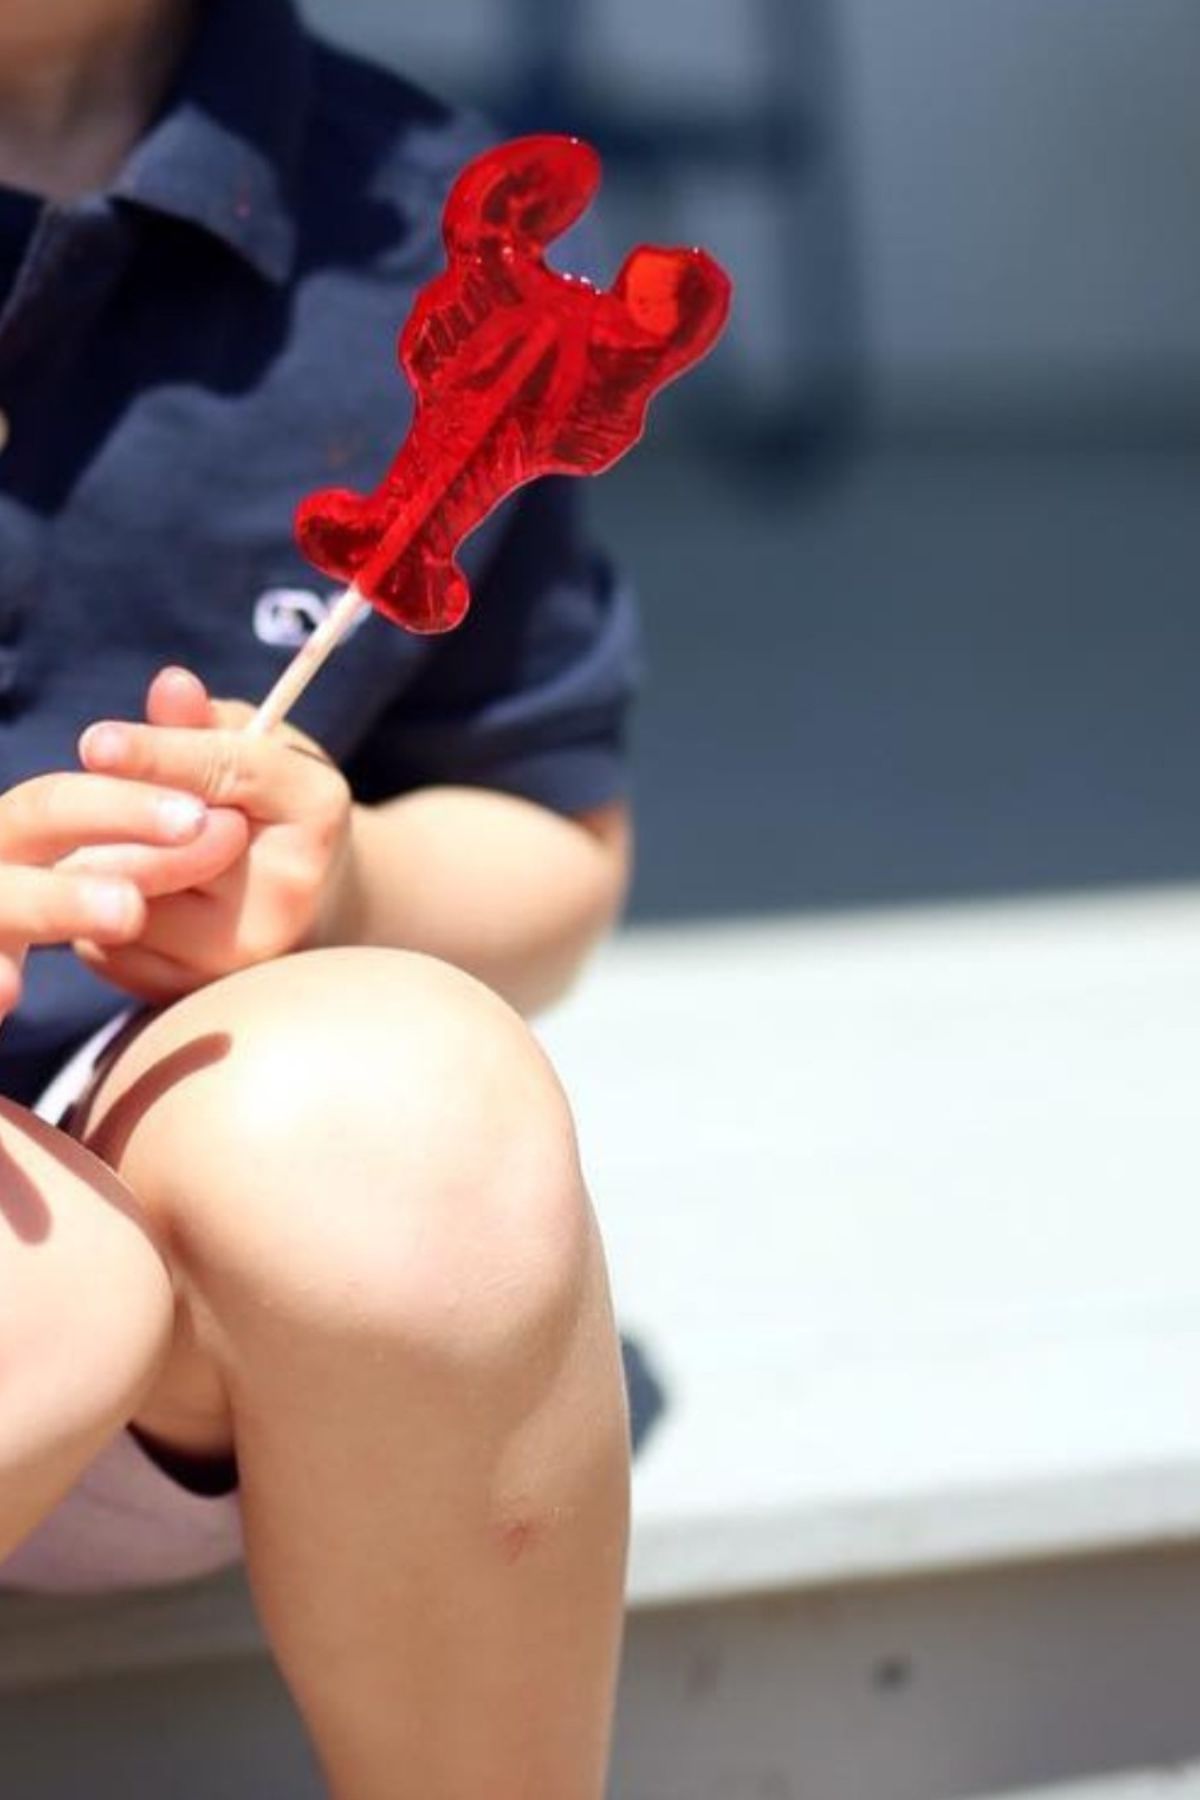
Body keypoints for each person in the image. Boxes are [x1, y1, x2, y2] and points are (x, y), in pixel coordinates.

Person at [0, 1, 637, 1795]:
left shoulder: (441, 242)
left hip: (186, 1314)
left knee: (406, 1113)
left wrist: (351, 880)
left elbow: (551, 843)